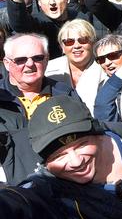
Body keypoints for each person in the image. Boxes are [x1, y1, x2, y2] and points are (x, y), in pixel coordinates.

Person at [14, 95, 122, 217]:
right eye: (59, 156)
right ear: (45, 163)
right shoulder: (52, 192)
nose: (76, 162)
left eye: (82, 145)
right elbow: (18, 202)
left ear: (97, 133)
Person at [0, 33, 79, 184]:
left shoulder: (65, 94)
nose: (30, 64)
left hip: (64, 186)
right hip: (13, 194)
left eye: (37, 58)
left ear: (47, 59)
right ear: (7, 63)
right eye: (20, 60)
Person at [45, 19, 105, 113]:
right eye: (69, 42)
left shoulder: (104, 68)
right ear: (62, 47)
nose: (76, 46)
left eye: (83, 40)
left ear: (93, 43)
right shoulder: (48, 69)